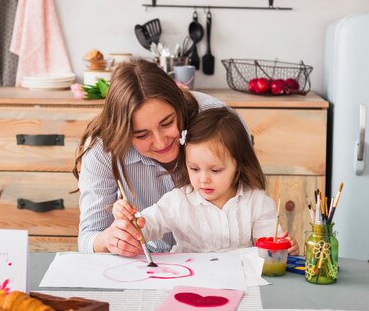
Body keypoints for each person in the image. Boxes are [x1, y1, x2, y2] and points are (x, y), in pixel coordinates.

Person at [74, 59, 241, 255]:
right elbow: (87, 238)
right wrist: (109, 239)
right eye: (142, 135)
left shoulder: (219, 123)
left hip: (218, 259)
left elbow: (251, 197)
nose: (161, 143)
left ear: (179, 106)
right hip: (149, 263)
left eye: (167, 123)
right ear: (124, 134)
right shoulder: (103, 149)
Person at [113, 107, 299, 254]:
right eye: (194, 169)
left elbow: (268, 247)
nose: (203, 180)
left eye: (216, 170)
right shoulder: (179, 201)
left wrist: (284, 250)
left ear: (239, 165)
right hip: (187, 282)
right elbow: (147, 226)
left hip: (239, 283)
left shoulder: (257, 203)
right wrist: (129, 220)